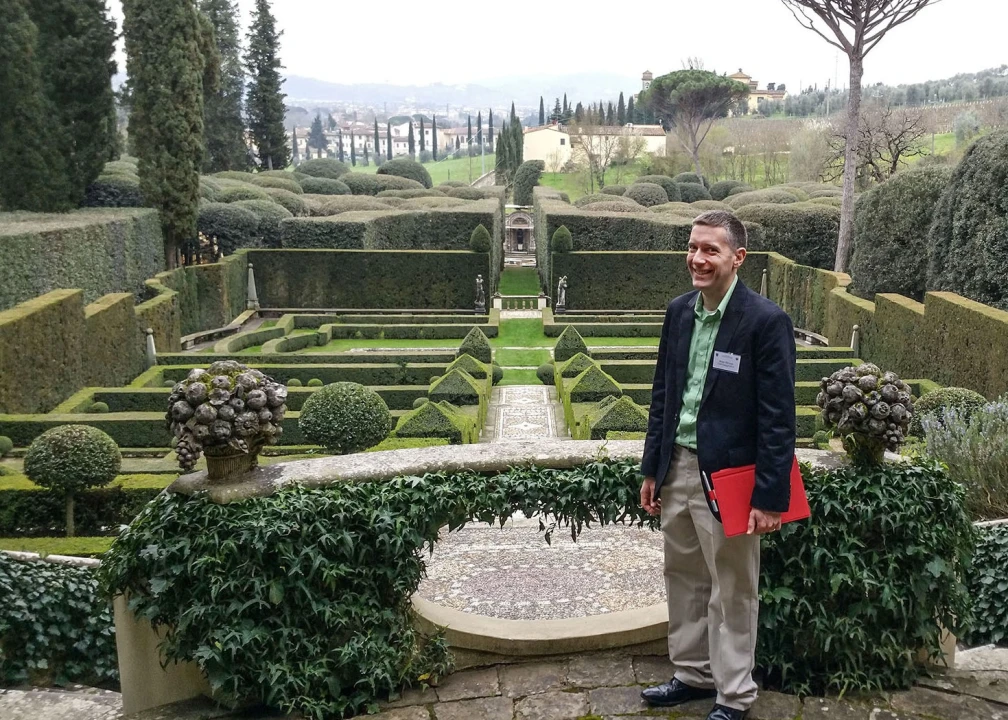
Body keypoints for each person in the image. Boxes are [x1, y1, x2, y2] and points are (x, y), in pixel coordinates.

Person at [639, 210, 796, 720]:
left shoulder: (765, 321)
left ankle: (733, 694)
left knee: (732, 589)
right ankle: (692, 674)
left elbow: (778, 418)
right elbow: (664, 395)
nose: (698, 259)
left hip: (729, 480)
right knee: (683, 577)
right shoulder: (679, 312)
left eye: (711, 249)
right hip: (678, 469)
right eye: (693, 247)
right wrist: (652, 468)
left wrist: (769, 498)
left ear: (737, 257)